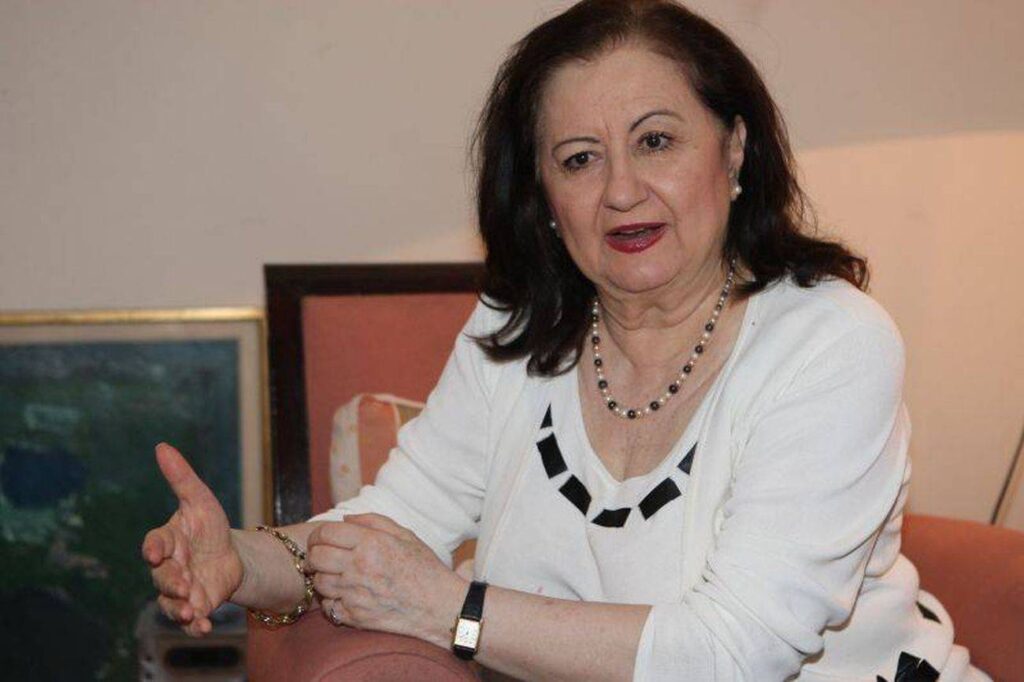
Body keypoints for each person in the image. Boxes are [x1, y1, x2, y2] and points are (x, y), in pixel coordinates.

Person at [141, 1, 991, 679]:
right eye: (580, 158)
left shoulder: (831, 342)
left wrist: (451, 610)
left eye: (656, 141)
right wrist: (238, 562)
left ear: (734, 150)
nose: (621, 190)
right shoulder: (514, 331)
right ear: (543, 195)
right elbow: (392, 525)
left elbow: (735, 655)